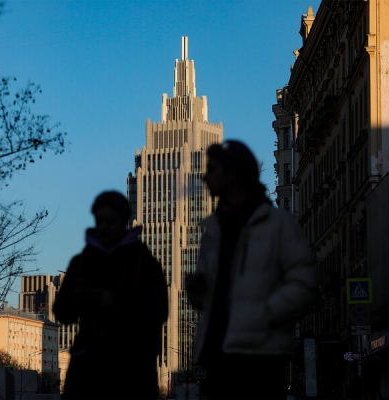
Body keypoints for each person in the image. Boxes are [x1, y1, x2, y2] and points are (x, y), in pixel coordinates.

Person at [186, 140, 317, 400]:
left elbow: (305, 283)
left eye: (212, 169)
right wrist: (198, 293)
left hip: (261, 358)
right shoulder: (213, 229)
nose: (205, 176)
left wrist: (265, 314)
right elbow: (216, 296)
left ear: (233, 174)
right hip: (217, 356)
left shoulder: (277, 223)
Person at [54, 190, 168, 400]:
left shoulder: (144, 264)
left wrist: (114, 302)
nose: (104, 227)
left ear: (124, 221)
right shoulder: (81, 263)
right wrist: (78, 299)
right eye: (100, 221)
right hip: (87, 370)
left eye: (111, 221)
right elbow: (62, 312)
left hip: (131, 370)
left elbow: (159, 311)